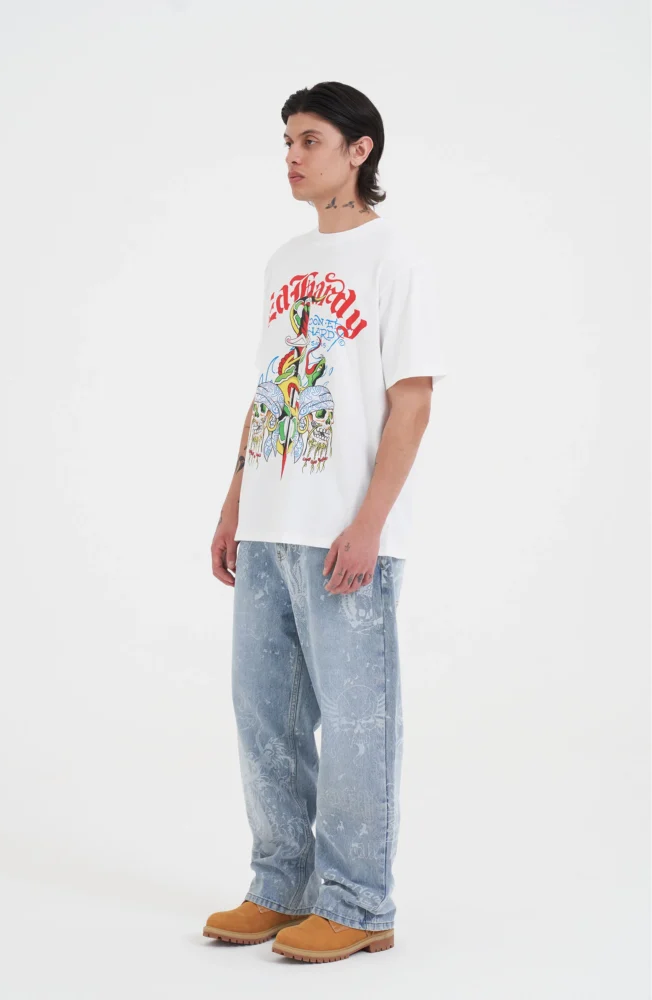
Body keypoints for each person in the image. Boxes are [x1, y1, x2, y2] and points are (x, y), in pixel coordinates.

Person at [204, 81, 447, 963]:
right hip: (270, 524)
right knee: (262, 714)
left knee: (356, 722)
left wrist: (370, 524)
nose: (292, 156)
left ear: (360, 149)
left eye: (310, 139)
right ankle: (281, 885)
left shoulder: (395, 258)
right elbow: (268, 387)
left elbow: (412, 401)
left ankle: (359, 902)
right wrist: (235, 499)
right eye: (287, 141)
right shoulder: (285, 261)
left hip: (346, 531)